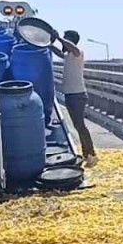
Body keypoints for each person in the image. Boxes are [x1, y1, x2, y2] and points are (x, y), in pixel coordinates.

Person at [52, 29, 97, 167]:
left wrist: (59, 38)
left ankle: (91, 154)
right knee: (77, 126)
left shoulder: (78, 53)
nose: (63, 44)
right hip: (70, 95)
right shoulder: (68, 56)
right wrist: (48, 44)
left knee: (80, 125)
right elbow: (58, 52)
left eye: (66, 39)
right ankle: (86, 154)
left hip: (77, 95)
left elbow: (74, 48)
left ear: (71, 41)